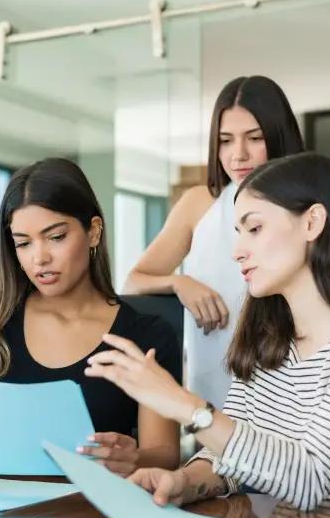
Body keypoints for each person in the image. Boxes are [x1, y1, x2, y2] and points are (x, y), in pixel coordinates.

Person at [85, 153, 330, 511]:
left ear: (312, 222)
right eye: (238, 234)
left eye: (254, 229)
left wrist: (184, 405)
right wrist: (185, 481)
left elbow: (310, 479)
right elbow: (235, 455)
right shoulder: (272, 334)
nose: (237, 252)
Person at [0, 158, 181, 492]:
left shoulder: (145, 334)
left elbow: (166, 454)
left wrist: (134, 458)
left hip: (96, 515)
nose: (39, 258)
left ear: (93, 231)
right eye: (23, 243)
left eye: (55, 237)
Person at [124, 75, 305, 409]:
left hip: (290, 387)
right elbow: (134, 281)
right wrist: (179, 282)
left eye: (254, 138)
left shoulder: (307, 207)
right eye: (225, 140)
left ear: (278, 137)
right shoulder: (199, 203)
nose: (238, 154)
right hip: (212, 387)